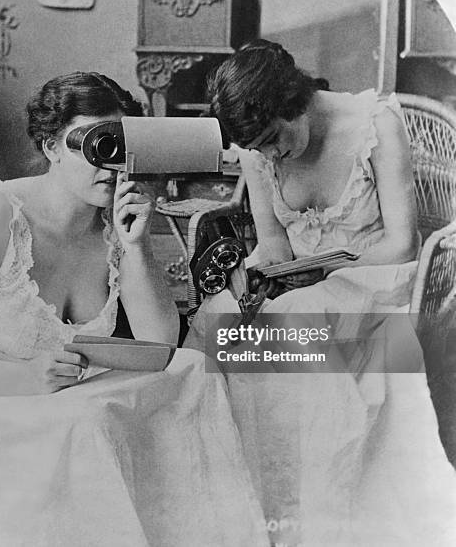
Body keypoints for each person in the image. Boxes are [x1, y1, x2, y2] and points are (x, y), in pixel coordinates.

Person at [0, 72, 271, 546]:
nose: (110, 165)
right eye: (93, 144)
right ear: (52, 146)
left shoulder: (113, 222)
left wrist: (135, 245)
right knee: (90, 425)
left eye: (120, 147)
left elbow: (159, 346)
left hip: (67, 388)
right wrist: (24, 379)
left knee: (196, 371)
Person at [185, 41, 456, 546]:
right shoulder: (256, 152)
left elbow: (402, 244)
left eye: (274, 139)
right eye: (258, 148)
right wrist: (258, 279)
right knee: (218, 319)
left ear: (296, 100)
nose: (269, 155)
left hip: (378, 280)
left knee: (297, 321)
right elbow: (272, 246)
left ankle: (314, 521)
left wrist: (322, 275)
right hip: (304, 284)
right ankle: (246, 512)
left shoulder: (377, 125)